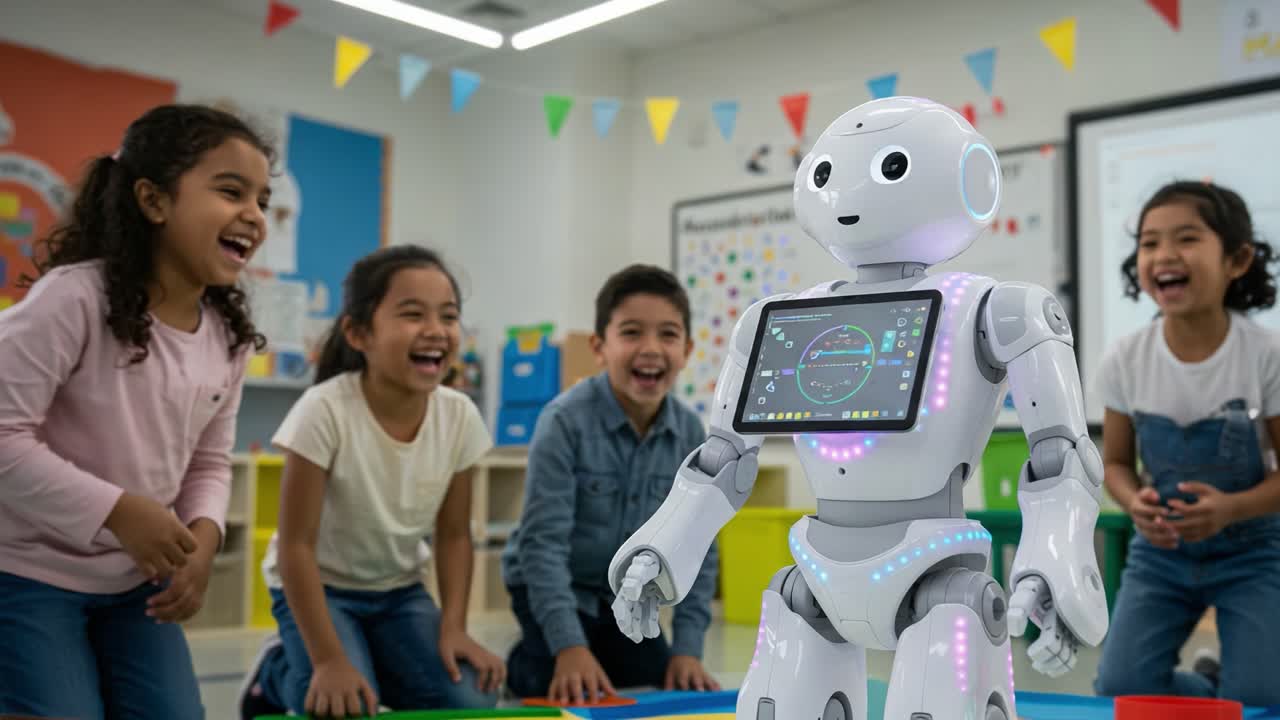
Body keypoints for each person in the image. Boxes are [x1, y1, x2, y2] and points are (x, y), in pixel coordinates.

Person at [0, 104, 272, 718]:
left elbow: (208, 460)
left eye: (262, 198)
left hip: (131, 587)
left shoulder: (227, 338)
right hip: (22, 573)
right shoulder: (74, 299)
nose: (254, 216)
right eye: (232, 191)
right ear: (153, 201)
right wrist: (119, 511)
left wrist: (204, 536)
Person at [239, 245, 505, 719]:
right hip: (319, 589)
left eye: (448, 316)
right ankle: (277, 673)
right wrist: (328, 659)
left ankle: (372, 659)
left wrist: (454, 628)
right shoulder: (323, 410)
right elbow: (295, 547)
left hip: (399, 591)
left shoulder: (459, 415)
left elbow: (453, 534)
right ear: (359, 333)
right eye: (412, 314)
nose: (436, 331)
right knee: (340, 705)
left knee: (471, 700)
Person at [1093, 180, 1280, 706]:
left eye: (1187, 238)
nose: (1164, 255)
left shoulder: (1265, 354)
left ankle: (1234, 682)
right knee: (1122, 689)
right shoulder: (1126, 357)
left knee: (1262, 699)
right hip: (1162, 554)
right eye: (1150, 243)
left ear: (1237, 260)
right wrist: (1134, 503)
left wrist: (1232, 508)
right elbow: (1114, 462)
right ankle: (1207, 684)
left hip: (1253, 551)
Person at [502, 264, 720, 704]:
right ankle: (531, 656)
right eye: (632, 332)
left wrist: (688, 650)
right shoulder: (563, 421)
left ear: (688, 349)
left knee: (657, 678)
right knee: (561, 681)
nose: (651, 349)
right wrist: (568, 647)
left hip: (627, 594)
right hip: (552, 584)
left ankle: (589, 646)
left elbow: (701, 549)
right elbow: (542, 547)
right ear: (599, 346)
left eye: (668, 334)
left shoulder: (692, 435)